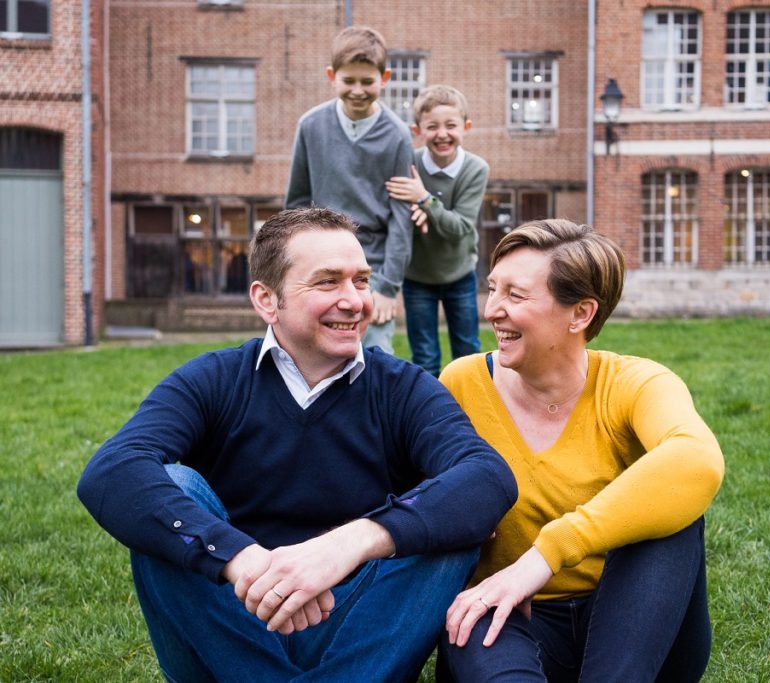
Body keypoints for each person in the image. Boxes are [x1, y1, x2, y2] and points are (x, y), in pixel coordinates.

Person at [77, 208, 518, 683]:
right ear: (267, 300)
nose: (354, 301)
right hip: (224, 621)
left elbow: (488, 477)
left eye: (361, 281)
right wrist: (239, 561)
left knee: (446, 520)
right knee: (169, 491)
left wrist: (346, 546)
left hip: (355, 629)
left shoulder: (402, 388)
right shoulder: (215, 379)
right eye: (328, 282)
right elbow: (111, 471)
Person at [437, 219, 725, 682]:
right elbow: (420, 495)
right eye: (492, 289)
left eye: (516, 295)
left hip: (630, 629)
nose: (492, 309)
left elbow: (698, 459)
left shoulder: (635, 383)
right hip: (509, 615)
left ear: (581, 314)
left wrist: (544, 556)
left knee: (673, 512)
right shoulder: (461, 382)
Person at [285, 25, 413, 354]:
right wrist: (294, 267)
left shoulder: (397, 135)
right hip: (320, 261)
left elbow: (401, 218)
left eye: (367, 82)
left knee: (374, 358)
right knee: (314, 353)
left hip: (372, 267)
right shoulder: (310, 126)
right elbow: (296, 204)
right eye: (349, 81)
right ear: (332, 76)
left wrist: (387, 287)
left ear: (384, 79)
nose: (358, 90)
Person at [385, 85, 489, 377]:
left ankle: (471, 413)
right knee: (425, 356)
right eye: (432, 126)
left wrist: (424, 200)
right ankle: (428, 416)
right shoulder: (409, 164)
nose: (442, 134)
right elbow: (396, 215)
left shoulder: (476, 169)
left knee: (468, 352)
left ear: (466, 127)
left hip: (459, 274)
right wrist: (416, 211)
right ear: (417, 129)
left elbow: (459, 228)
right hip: (417, 277)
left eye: (451, 125)